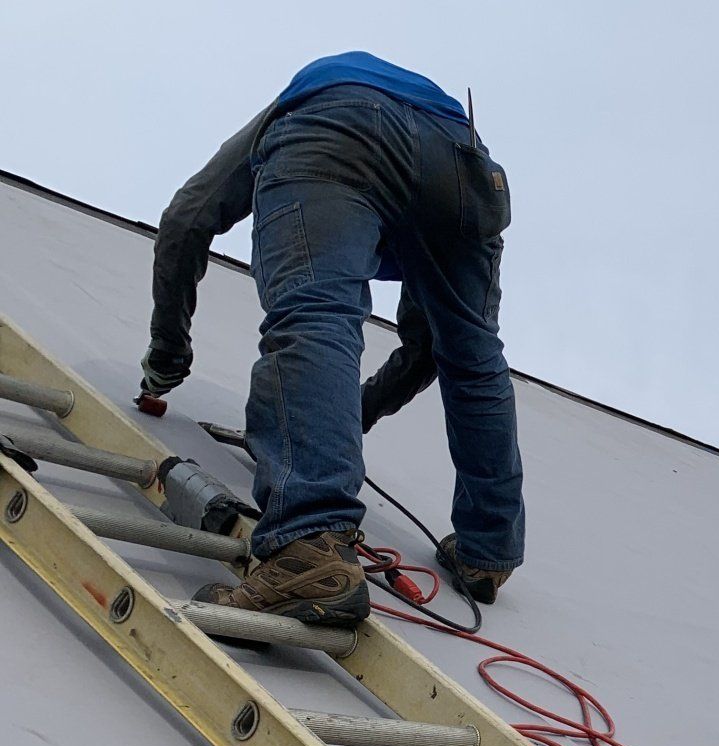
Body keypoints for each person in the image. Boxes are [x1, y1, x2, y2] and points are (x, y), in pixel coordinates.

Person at [142, 51, 524, 626]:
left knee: (316, 311)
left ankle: (306, 547)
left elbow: (186, 221)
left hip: (339, 124)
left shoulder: (298, 112)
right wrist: (353, 413)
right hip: (463, 158)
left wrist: (167, 357)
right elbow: (430, 352)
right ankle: (487, 550)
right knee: (472, 353)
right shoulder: (422, 177)